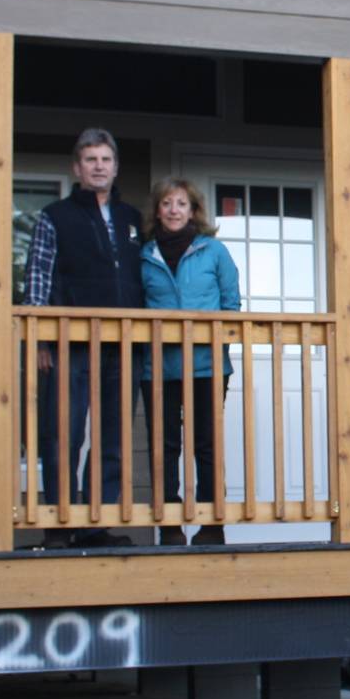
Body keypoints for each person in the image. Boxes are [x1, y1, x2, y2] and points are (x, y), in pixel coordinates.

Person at [25, 128, 146, 548]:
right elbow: (39, 276)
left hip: (123, 344)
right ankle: (60, 525)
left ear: (115, 167)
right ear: (77, 168)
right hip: (67, 343)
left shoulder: (132, 219)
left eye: (106, 160)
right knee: (63, 434)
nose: (99, 167)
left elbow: (143, 277)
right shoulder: (54, 216)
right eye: (91, 160)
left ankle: (96, 523)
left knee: (113, 437)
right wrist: (39, 338)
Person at [139, 177, 240, 545]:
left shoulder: (213, 251)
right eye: (167, 204)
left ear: (193, 210)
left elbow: (230, 305)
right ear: (158, 211)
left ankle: (212, 526)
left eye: (181, 204)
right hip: (158, 368)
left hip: (206, 366)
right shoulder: (145, 253)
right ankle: (169, 527)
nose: (173, 210)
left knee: (206, 444)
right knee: (164, 447)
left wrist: (218, 347)